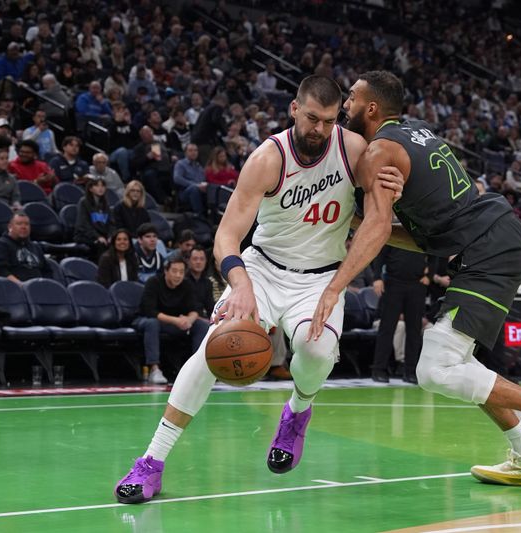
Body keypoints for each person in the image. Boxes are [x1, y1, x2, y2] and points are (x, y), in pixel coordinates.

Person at [309, 71, 521, 493]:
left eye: (351, 99)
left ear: (371, 108)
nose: (344, 107)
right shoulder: (414, 132)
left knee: (434, 368)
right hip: (491, 237)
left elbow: (376, 231)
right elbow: (422, 234)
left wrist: (335, 285)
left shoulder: (379, 152)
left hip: (488, 246)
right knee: (458, 363)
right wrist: (370, 216)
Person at [114, 75, 403, 504]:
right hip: (262, 271)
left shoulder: (355, 150)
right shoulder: (268, 158)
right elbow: (226, 237)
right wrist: (240, 284)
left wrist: (391, 191)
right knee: (212, 349)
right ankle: (152, 461)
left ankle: (296, 413)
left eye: (327, 120)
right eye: (310, 118)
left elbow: (378, 214)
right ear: (293, 109)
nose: (318, 129)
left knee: (318, 350)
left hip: (322, 277)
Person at [133, 252, 210, 385]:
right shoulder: (154, 282)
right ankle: (154, 369)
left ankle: (198, 369)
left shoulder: (186, 285)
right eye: (174, 271)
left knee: (201, 325)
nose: (178, 275)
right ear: (166, 271)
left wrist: (188, 320)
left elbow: (195, 310)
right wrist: (176, 320)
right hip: (147, 320)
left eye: (181, 272)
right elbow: (150, 311)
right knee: (152, 323)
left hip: (176, 323)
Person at [370, 245, 428, 383]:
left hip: (417, 284)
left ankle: (410, 371)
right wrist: (377, 277)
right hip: (393, 282)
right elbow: (380, 255)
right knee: (387, 328)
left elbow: (436, 254)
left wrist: (430, 274)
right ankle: (379, 369)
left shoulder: (423, 233)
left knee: (414, 330)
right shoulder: (396, 228)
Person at [0, 211, 51, 282]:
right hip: (15, 289)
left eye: (27, 224)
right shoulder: (1, 245)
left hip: (39, 288)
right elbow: (1, 271)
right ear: (10, 227)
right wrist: (22, 285)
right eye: (19, 224)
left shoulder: (35, 247)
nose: (24, 227)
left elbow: (47, 271)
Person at [74, 176, 113, 261]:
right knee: (101, 244)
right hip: (85, 236)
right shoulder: (83, 202)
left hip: (102, 235)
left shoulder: (105, 204)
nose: (100, 188)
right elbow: (83, 224)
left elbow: (111, 223)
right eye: (97, 186)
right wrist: (97, 236)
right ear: (91, 189)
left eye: (103, 186)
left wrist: (110, 235)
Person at [173, 143, 207, 215]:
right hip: (185, 191)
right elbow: (177, 178)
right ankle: (199, 214)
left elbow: (203, 179)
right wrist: (196, 185)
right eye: (190, 150)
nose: (193, 153)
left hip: (200, 189)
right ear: (185, 153)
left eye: (195, 150)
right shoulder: (180, 164)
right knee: (194, 188)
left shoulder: (198, 166)